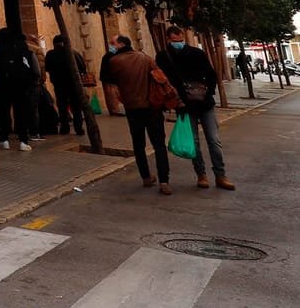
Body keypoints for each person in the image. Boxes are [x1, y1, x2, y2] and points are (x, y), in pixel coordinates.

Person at [157, 27, 235, 190]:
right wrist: (173, 102)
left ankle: (220, 175)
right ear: (168, 40)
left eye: (180, 40)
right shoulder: (163, 57)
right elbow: (163, 83)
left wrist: (208, 91)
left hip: (204, 103)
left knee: (214, 140)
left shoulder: (196, 53)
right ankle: (201, 175)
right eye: (175, 41)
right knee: (194, 142)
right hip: (183, 105)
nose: (178, 43)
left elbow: (211, 74)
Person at [104, 35, 173, 195]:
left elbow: (110, 81)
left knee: (138, 144)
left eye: (113, 43)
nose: (110, 46)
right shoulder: (144, 58)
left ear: (121, 45)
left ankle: (146, 177)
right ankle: (164, 181)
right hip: (152, 107)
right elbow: (160, 77)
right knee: (159, 145)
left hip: (132, 108)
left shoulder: (114, 62)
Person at [0, 27, 37, 151]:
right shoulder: (22, 50)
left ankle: (4, 139)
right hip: (20, 87)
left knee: (3, 113)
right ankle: (23, 140)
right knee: (21, 113)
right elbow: (29, 68)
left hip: (2, 87)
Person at [45, 35, 87, 136]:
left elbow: (47, 67)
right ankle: (78, 128)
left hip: (59, 84)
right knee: (76, 107)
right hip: (73, 84)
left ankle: (64, 128)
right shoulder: (73, 53)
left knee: (62, 106)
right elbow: (82, 67)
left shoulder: (50, 54)